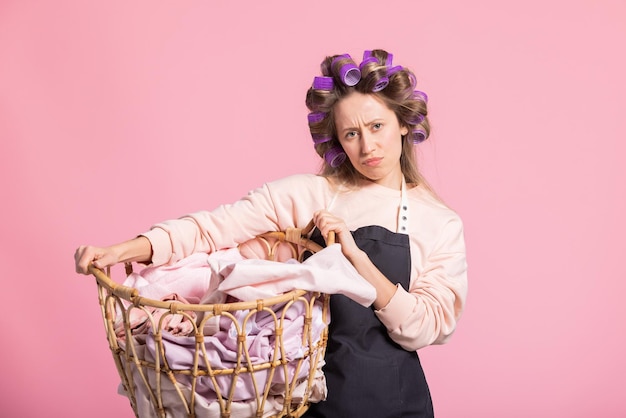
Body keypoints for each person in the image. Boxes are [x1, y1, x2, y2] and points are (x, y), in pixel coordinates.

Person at [75, 49, 468, 418]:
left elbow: (424, 328)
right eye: (351, 134)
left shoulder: (439, 222)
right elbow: (214, 228)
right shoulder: (313, 194)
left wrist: (357, 260)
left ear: (402, 123)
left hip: (395, 402)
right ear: (338, 142)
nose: (367, 146)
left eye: (377, 126)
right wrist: (127, 249)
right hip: (307, 401)